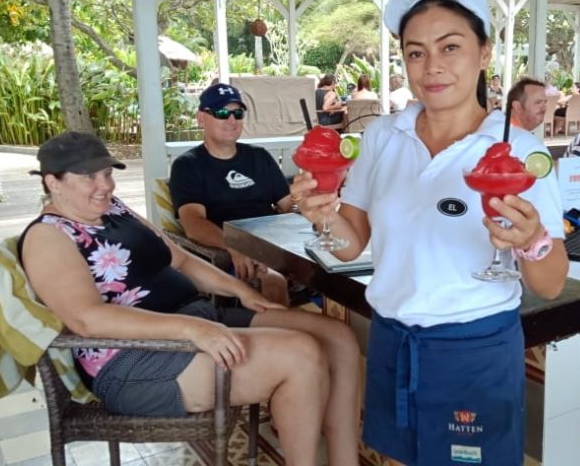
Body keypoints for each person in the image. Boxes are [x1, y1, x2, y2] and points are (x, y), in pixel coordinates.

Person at [289, 0, 567, 466]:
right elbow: (352, 246)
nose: (432, 67)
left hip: (474, 352)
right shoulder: (382, 136)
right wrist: (322, 217)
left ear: (484, 54)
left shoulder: (518, 151)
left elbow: (550, 283)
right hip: (394, 340)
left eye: (450, 47)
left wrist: (531, 240)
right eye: (416, 52)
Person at [20, 131, 361, 466]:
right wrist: (192, 330)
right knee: (300, 355)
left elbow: (179, 259)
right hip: (134, 362)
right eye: (88, 177)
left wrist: (243, 293)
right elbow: (87, 319)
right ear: (53, 182)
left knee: (337, 336)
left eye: (107, 173)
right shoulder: (48, 236)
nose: (105, 185)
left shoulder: (115, 210)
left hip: (195, 318)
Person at [169, 83, 293, 306]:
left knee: (337, 270)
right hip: (233, 253)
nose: (232, 119)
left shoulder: (259, 157)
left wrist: (309, 200)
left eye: (238, 113)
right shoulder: (188, 166)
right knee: (274, 283)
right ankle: (284, 337)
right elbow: (193, 223)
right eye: (221, 112)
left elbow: (288, 205)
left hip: (278, 242)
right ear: (201, 118)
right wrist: (234, 246)